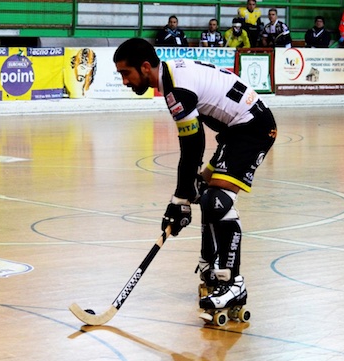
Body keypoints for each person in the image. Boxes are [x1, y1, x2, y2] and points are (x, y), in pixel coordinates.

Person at [113, 38, 277, 314]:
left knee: (216, 199)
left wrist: (179, 200)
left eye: (126, 73)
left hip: (252, 129)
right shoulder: (172, 78)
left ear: (145, 67)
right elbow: (193, 147)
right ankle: (210, 264)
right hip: (235, 132)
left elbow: (193, 145)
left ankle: (233, 283)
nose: (125, 81)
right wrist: (185, 196)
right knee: (203, 190)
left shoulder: (176, 89)